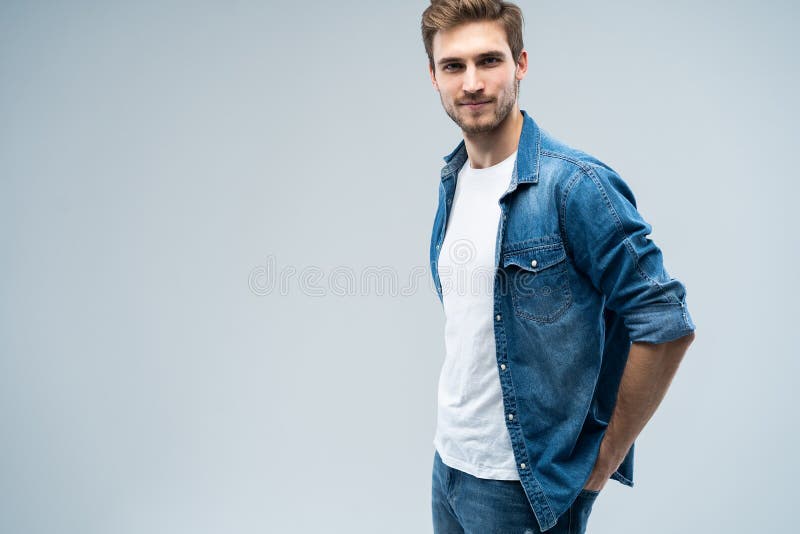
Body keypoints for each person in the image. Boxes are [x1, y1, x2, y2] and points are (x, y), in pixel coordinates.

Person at [421, 1, 697, 532]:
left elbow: (665, 323)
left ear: (521, 63)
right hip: (449, 467)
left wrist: (605, 458)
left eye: (490, 61)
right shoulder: (452, 179)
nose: (473, 82)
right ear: (433, 76)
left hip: (524, 488)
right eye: (454, 66)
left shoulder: (574, 186)